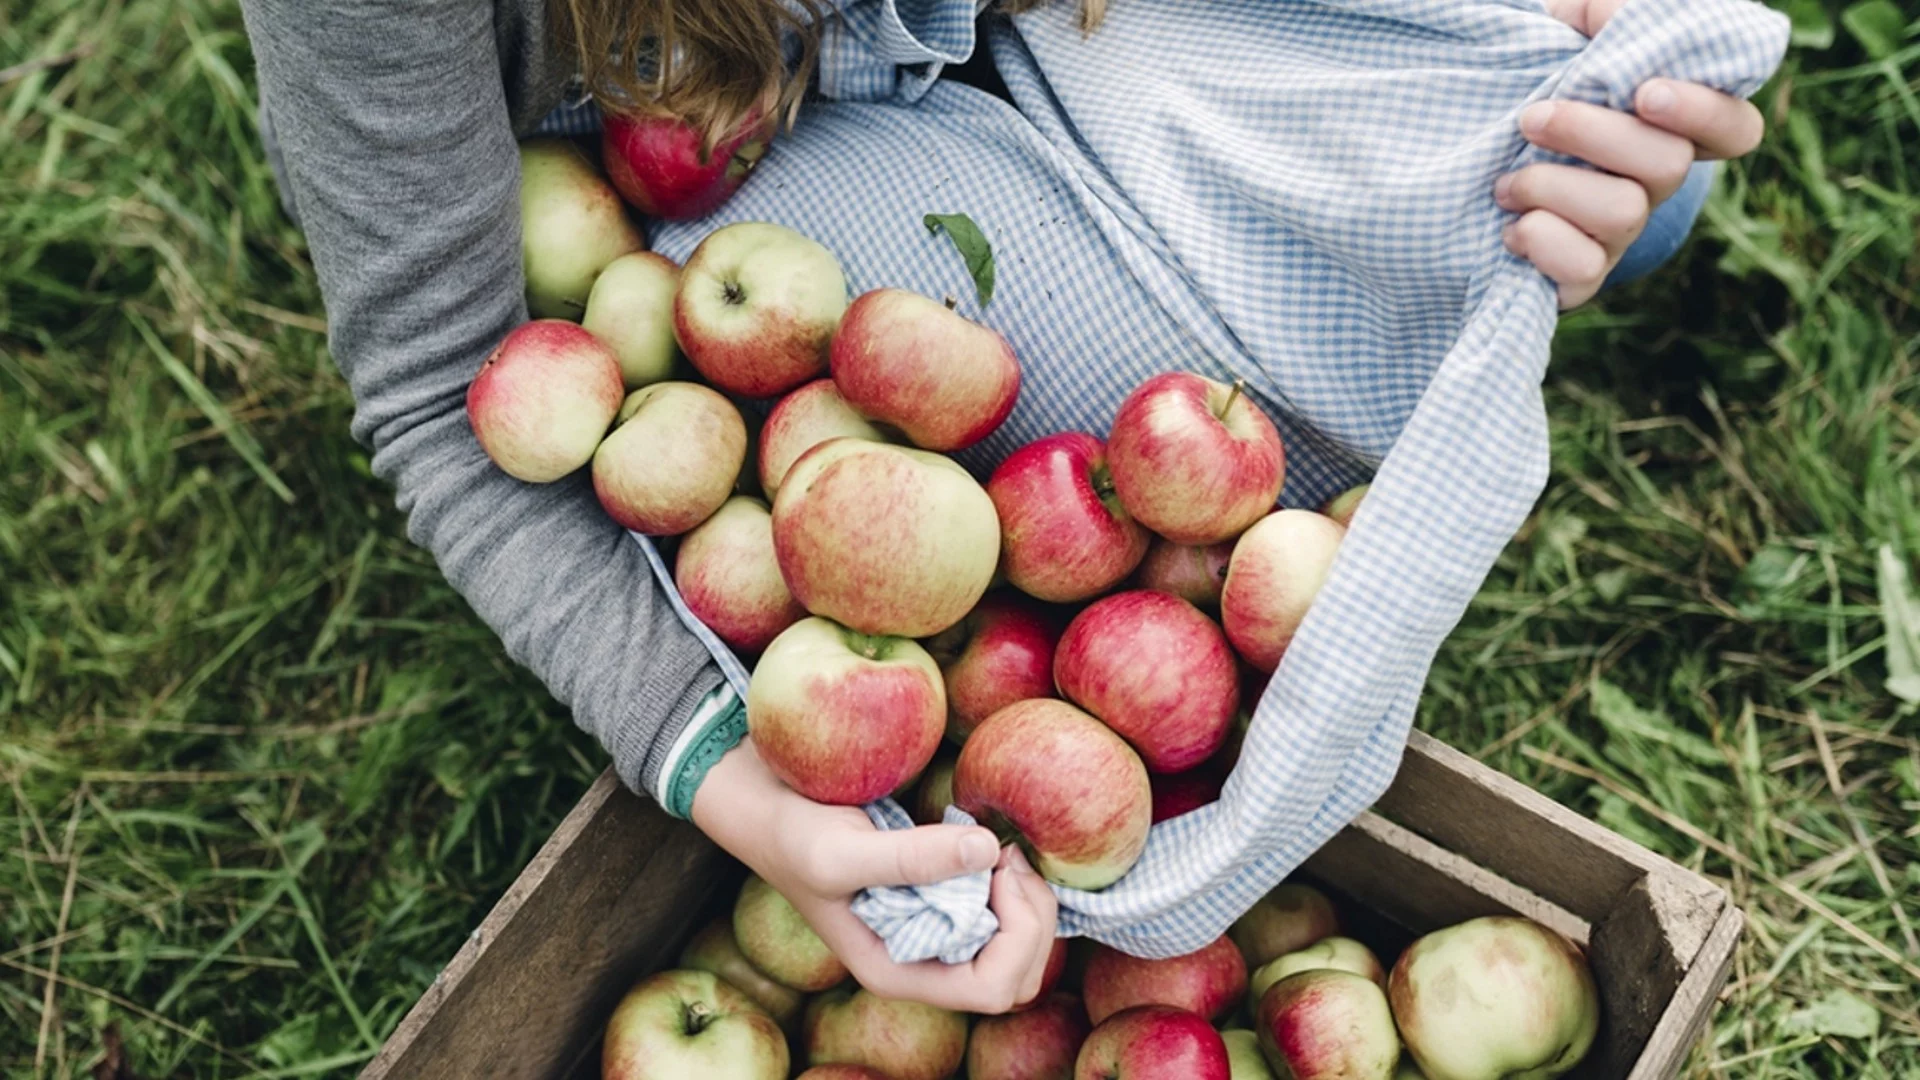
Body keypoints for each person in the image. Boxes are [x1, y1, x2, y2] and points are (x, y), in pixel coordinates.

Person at [238, 0, 1765, 1013]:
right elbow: (446, 394)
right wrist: (741, 789)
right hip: (710, 164)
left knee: (1621, 182)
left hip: (1047, 36)